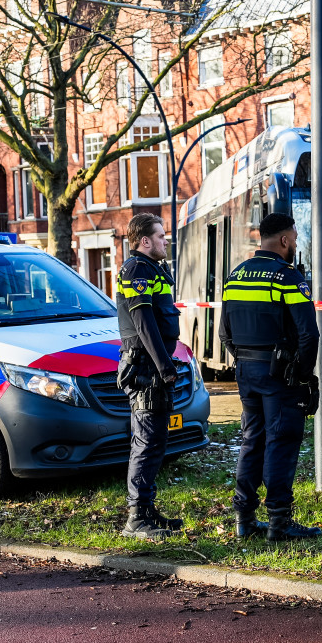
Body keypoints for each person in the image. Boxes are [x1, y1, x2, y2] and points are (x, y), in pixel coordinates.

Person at [219, 212, 322, 541]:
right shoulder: (287, 278)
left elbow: (224, 334)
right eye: (293, 237)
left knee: (252, 441)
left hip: (247, 372)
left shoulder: (236, 276)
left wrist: (247, 361)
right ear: (284, 239)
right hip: (281, 375)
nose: (294, 243)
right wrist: (303, 376)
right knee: (281, 442)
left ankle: (244, 518)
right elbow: (310, 335)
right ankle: (279, 521)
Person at [115, 213, 182, 539]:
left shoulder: (152, 269)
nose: (165, 240)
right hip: (144, 367)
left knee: (155, 441)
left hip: (152, 366)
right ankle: (136, 519)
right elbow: (143, 321)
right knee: (145, 442)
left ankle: (147, 511)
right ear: (145, 241)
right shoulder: (137, 269)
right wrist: (164, 366)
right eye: (160, 235)